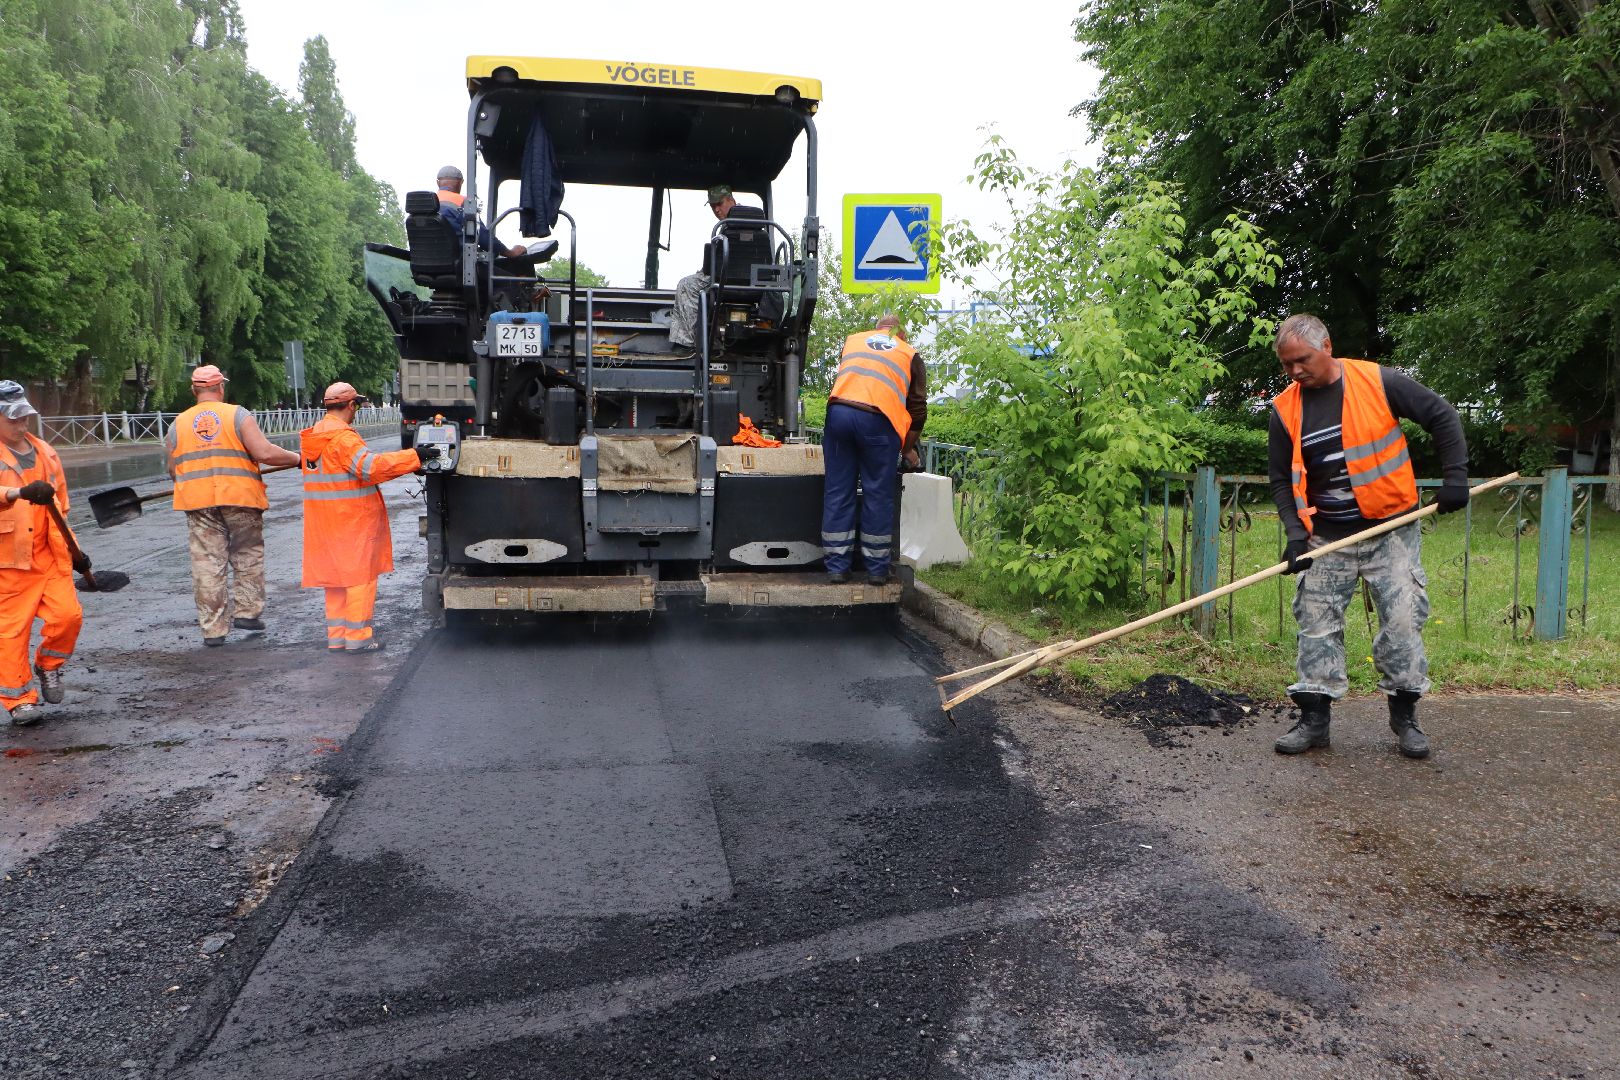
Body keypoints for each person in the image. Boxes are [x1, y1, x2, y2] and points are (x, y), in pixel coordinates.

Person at [1267, 314, 1469, 759]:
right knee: (1316, 629)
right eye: (1287, 365)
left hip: (1391, 530)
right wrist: (1296, 534)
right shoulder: (1285, 409)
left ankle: (1405, 718)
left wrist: (1455, 478)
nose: (1295, 371)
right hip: (1326, 537)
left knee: (1401, 625)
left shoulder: (1378, 381)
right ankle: (1314, 721)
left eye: (1302, 360)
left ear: (1327, 346)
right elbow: (1281, 479)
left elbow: (1442, 416)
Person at [166, 365, 301, 646]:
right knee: (247, 553)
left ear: (194, 390)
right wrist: (298, 458)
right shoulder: (237, 415)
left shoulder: (177, 424)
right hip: (240, 498)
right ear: (221, 388)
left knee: (207, 564)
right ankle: (247, 613)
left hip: (198, 503)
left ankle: (213, 631)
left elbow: (174, 470)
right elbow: (264, 452)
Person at [300, 383, 427, 652]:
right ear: (350, 405)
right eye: (356, 405)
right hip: (351, 522)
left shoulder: (314, 437)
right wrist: (416, 457)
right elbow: (371, 468)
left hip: (324, 524)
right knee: (359, 579)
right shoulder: (343, 439)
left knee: (334, 581)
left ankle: (337, 638)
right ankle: (358, 638)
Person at [821, 314, 928, 586]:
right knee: (877, 494)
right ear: (901, 333)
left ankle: (836, 567)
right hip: (878, 423)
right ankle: (877, 571)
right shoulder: (908, 352)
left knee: (837, 490)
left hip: (839, 416)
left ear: (878, 329)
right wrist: (907, 448)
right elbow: (917, 410)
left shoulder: (854, 341)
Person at [0, 381, 81, 727]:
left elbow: (61, 504)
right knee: (11, 632)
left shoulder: (45, 450)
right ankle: (18, 700)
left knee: (68, 617)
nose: (22, 424)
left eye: (25, 417)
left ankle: (48, 666)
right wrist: (17, 492)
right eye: (13, 419)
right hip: (11, 560)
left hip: (50, 554)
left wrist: (75, 550)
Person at [669, 184, 766, 356]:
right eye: (713, 206)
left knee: (686, 285)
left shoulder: (730, 227)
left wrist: (706, 271)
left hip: (727, 280)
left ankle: (686, 343)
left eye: (719, 204)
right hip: (753, 283)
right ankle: (712, 341)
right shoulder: (756, 225)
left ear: (731, 199)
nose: (716, 209)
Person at [434, 164, 526, 257]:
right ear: (461, 182)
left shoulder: (427, 202)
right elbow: (483, 238)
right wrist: (509, 252)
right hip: (458, 265)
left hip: (424, 264)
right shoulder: (462, 203)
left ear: (438, 183)